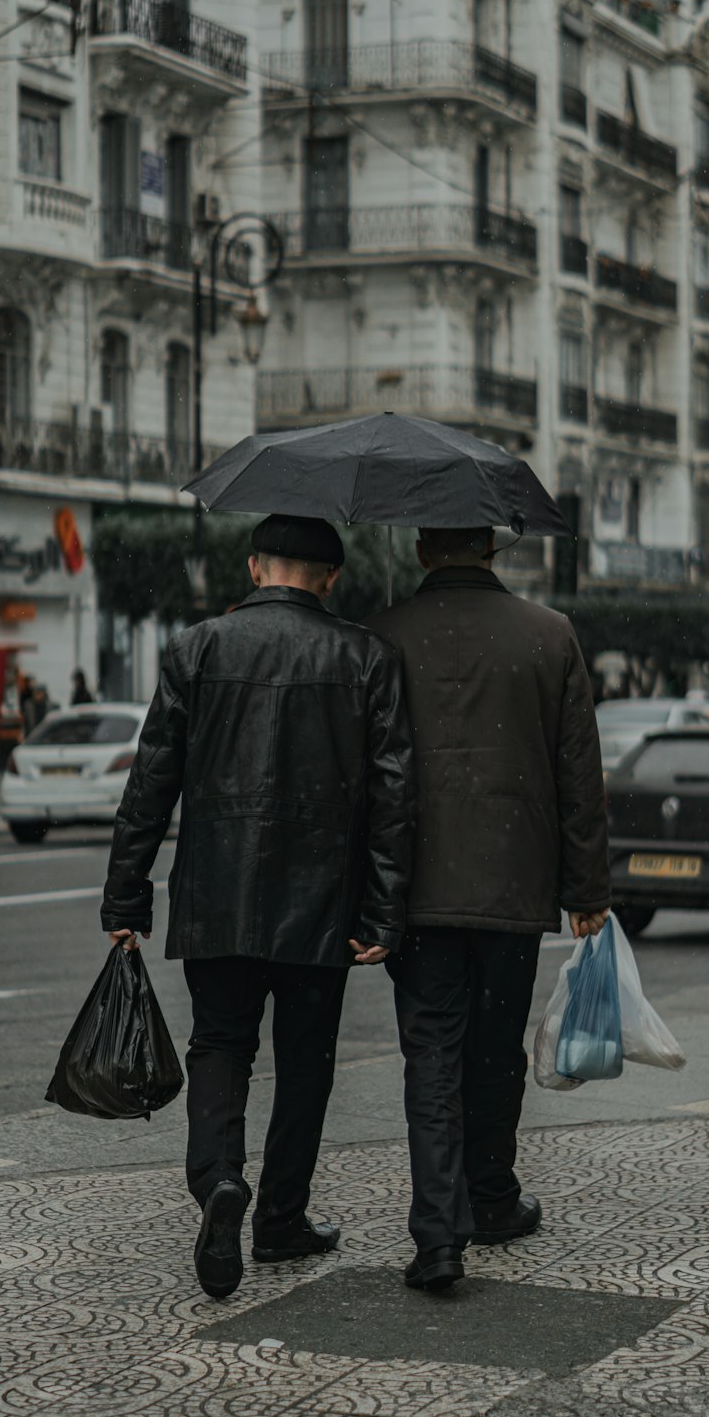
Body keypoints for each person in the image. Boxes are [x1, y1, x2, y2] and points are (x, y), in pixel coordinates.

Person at [100, 514, 415, 1299]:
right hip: (323, 902)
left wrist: (125, 893)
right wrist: (384, 909)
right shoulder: (368, 657)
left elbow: (151, 783)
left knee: (221, 1045)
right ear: (332, 578)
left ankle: (218, 1183)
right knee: (307, 1061)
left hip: (219, 895)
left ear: (252, 567)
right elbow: (393, 795)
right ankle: (280, 1217)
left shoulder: (196, 648)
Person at [367, 526, 611, 1290]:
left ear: (421, 551)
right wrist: (587, 891)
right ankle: (494, 1196)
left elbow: (365, 773)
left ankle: (438, 1236)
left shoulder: (383, 634)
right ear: (493, 549)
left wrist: (365, 894)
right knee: (497, 1047)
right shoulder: (549, 634)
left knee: (431, 1053)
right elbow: (580, 770)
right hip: (513, 879)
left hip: (417, 887)